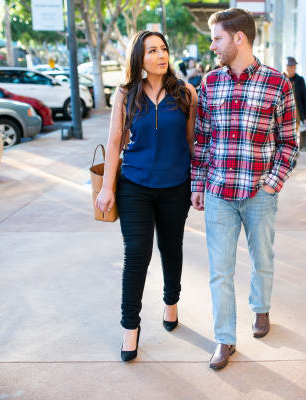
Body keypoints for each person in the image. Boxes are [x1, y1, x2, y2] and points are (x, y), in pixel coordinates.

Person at [191, 8, 298, 370]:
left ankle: (261, 309)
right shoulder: (209, 83)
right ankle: (224, 339)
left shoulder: (278, 83)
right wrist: (198, 184)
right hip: (220, 192)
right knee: (219, 270)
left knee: (262, 260)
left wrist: (272, 183)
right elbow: (202, 139)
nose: (212, 45)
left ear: (239, 38)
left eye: (217, 37)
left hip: (259, 193)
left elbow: (289, 142)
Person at [94, 30, 198, 362]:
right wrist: (108, 187)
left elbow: (192, 142)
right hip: (135, 187)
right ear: (140, 58)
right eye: (152, 50)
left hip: (175, 186)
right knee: (136, 255)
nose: (160, 55)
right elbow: (114, 143)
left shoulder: (185, 93)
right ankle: (130, 328)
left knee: (171, 248)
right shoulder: (126, 94)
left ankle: (171, 302)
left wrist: (196, 184)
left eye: (164, 48)